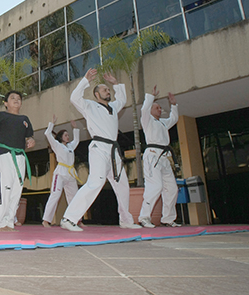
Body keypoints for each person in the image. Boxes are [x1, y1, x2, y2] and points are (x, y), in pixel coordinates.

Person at [60, 68, 141, 232]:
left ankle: (126, 220)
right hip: (99, 148)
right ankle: (69, 218)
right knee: (95, 182)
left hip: (113, 151)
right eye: (104, 89)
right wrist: (85, 81)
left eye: (108, 90)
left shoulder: (113, 108)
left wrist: (116, 84)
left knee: (123, 185)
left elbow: (122, 99)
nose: (107, 91)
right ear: (96, 94)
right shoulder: (89, 106)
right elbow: (74, 98)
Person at [0, 91, 35, 232]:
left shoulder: (25, 119)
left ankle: (9, 221)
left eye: (19, 98)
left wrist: (31, 140)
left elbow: (29, 137)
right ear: (6, 103)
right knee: (4, 187)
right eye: (12, 98)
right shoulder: (1, 116)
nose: (16, 100)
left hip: (20, 156)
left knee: (16, 189)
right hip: (4, 155)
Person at [138, 85, 180, 228]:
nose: (160, 110)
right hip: (152, 156)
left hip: (164, 157)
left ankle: (168, 218)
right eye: (157, 108)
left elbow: (174, 119)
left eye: (161, 108)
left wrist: (173, 104)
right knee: (155, 186)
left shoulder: (162, 123)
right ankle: (144, 217)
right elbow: (144, 110)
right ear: (150, 110)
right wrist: (151, 97)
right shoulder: (147, 121)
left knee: (172, 188)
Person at [42, 115, 81, 228]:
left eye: (68, 135)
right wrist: (52, 123)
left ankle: (76, 220)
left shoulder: (70, 147)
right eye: (66, 135)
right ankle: (46, 220)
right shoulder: (57, 145)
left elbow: (77, 140)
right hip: (60, 173)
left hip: (71, 174)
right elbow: (47, 134)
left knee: (74, 197)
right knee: (55, 195)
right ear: (60, 137)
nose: (68, 137)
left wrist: (75, 128)